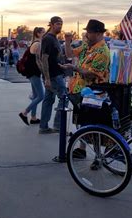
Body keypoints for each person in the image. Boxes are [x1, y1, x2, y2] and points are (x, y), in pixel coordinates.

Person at [62, 19, 110, 158]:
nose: (86, 35)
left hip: (92, 93)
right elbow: (70, 54)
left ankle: (98, 156)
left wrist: (74, 67)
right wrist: (67, 41)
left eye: (88, 33)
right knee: (81, 122)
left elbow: (92, 74)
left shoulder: (102, 51)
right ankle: (82, 149)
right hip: (79, 91)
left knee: (92, 124)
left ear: (98, 33)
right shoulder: (87, 46)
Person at [39, 16, 66, 134]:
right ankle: (58, 126)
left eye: (61, 24)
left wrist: (61, 64)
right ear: (52, 24)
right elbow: (43, 58)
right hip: (54, 76)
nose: (60, 26)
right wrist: (47, 78)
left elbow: (53, 58)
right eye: (58, 24)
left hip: (56, 73)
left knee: (48, 100)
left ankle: (43, 127)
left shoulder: (54, 38)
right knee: (64, 98)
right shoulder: (48, 39)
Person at [19, 27, 46, 125]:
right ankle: (25, 112)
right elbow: (39, 61)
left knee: (35, 95)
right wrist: (44, 72)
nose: (45, 34)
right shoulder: (38, 44)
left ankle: (33, 118)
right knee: (41, 95)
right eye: (43, 32)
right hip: (34, 73)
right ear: (38, 34)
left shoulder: (34, 43)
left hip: (31, 73)